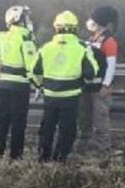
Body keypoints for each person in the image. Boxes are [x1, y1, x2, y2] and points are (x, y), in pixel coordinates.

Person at [31, 11, 98, 163]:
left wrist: (39, 85)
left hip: (50, 96)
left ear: (56, 28)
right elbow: (91, 72)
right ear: (75, 28)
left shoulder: (46, 48)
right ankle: (60, 159)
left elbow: (34, 71)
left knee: (47, 127)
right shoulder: (82, 48)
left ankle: (43, 157)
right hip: (71, 96)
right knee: (67, 130)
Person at [0, 5, 38, 160]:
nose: (28, 21)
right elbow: (31, 63)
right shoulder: (26, 37)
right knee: (18, 122)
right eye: (26, 18)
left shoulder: (5, 35)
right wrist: (38, 83)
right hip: (20, 85)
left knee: (3, 119)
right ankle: (16, 156)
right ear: (18, 20)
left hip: (4, 84)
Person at [78, 6, 119, 155]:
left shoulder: (109, 41)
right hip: (87, 86)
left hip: (99, 87)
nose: (90, 22)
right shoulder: (91, 39)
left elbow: (111, 66)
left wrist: (106, 85)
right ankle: (84, 145)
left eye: (93, 19)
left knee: (100, 118)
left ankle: (104, 148)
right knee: (84, 118)